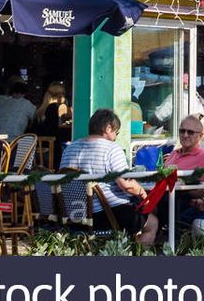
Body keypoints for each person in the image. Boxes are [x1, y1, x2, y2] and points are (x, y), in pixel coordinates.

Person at [59, 109, 158, 242]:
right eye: (116, 133)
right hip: (106, 213)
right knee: (153, 223)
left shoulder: (69, 149)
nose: (116, 137)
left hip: (74, 213)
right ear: (108, 128)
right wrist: (142, 193)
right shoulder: (112, 149)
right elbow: (126, 185)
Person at [31, 81, 73, 164]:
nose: (63, 97)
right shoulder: (54, 108)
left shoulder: (39, 111)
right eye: (63, 94)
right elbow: (57, 131)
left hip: (36, 154)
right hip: (51, 153)